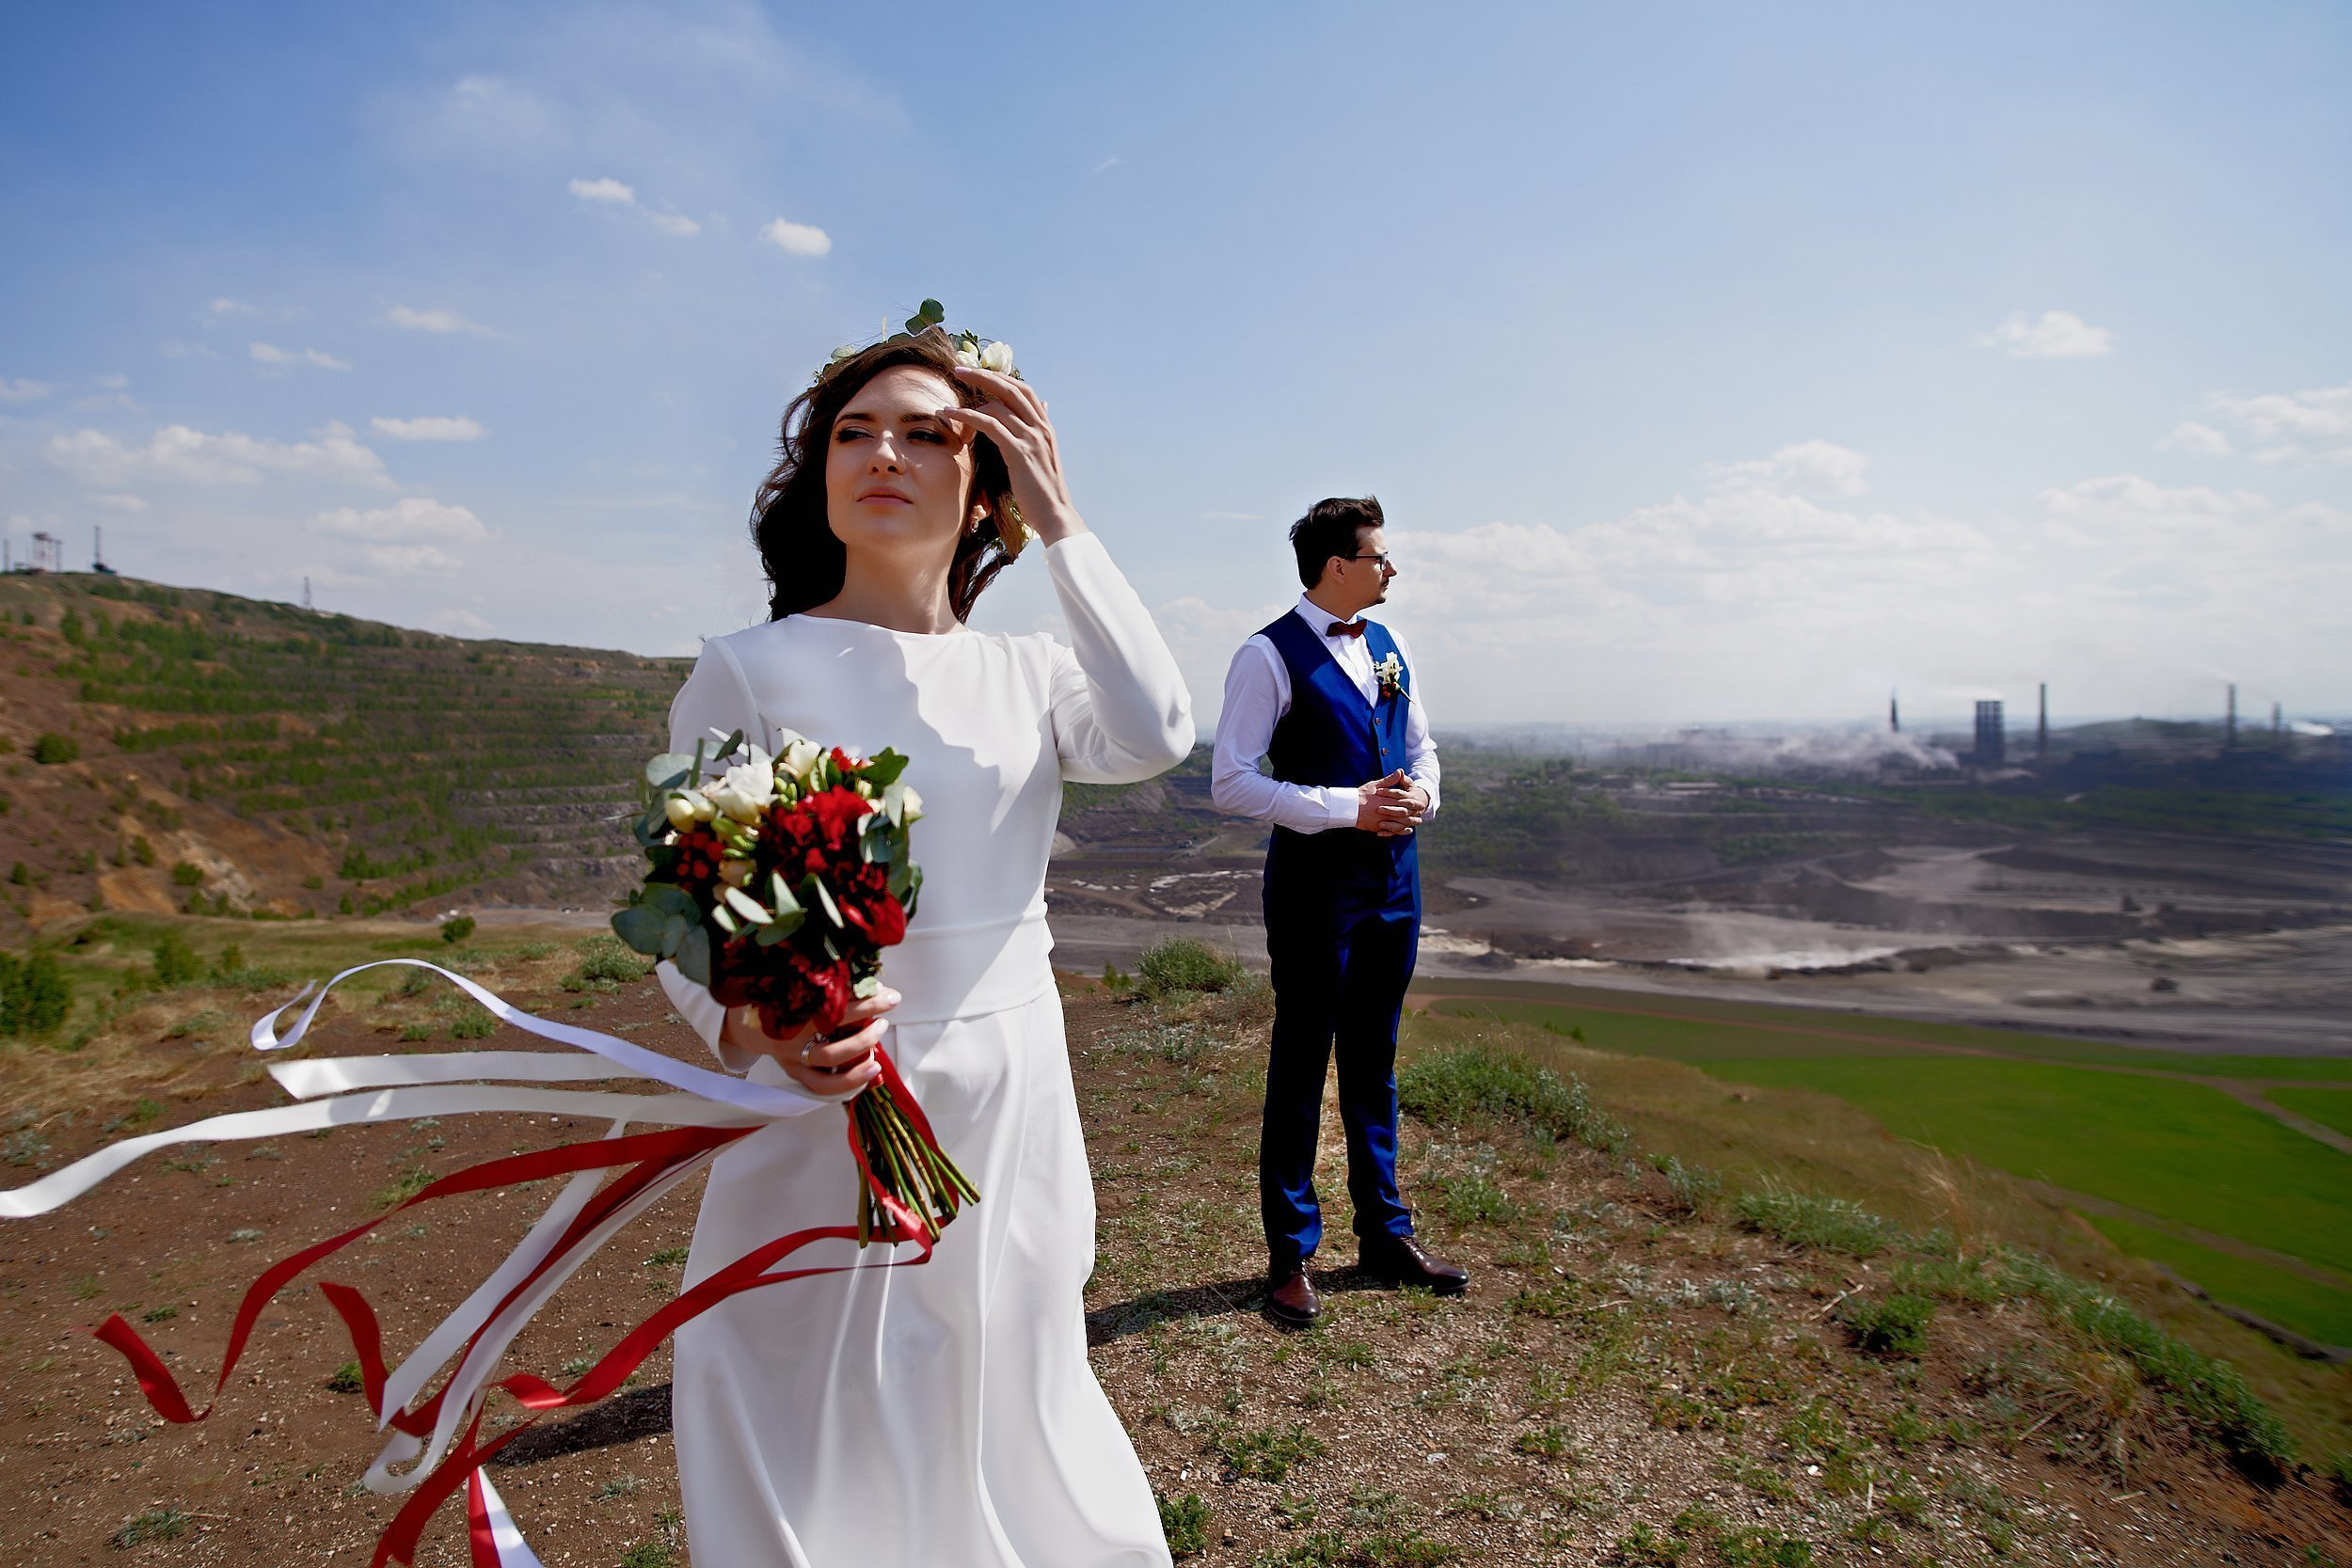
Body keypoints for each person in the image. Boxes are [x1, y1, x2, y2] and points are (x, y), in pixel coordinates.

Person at [656, 325, 1192, 1566]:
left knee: (1012, 1397)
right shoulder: (746, 670)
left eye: (929, 432)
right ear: (821, 474)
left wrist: (1064, 520)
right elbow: (689, 914)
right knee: (813, 1420)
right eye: (853, 431)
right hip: (823, 1105)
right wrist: (756, 1024)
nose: (881, 452)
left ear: (987, 477)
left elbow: (1159, 726)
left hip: (1009, 1093)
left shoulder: (1030, 671)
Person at [1209, 496, 1465, 1328]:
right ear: (1337, 567)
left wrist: (1420, 792)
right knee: (1300, 1063)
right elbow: (1232, 781)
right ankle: (1289, 1254)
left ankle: (1385, 1234)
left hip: (1396, 881)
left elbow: (1421, 744)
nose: (1393, 569)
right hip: (1316, 886)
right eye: (1381, 555)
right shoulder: (1266, 655)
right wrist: (1344, 809)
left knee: (1376, 1057)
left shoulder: (1389, 644)